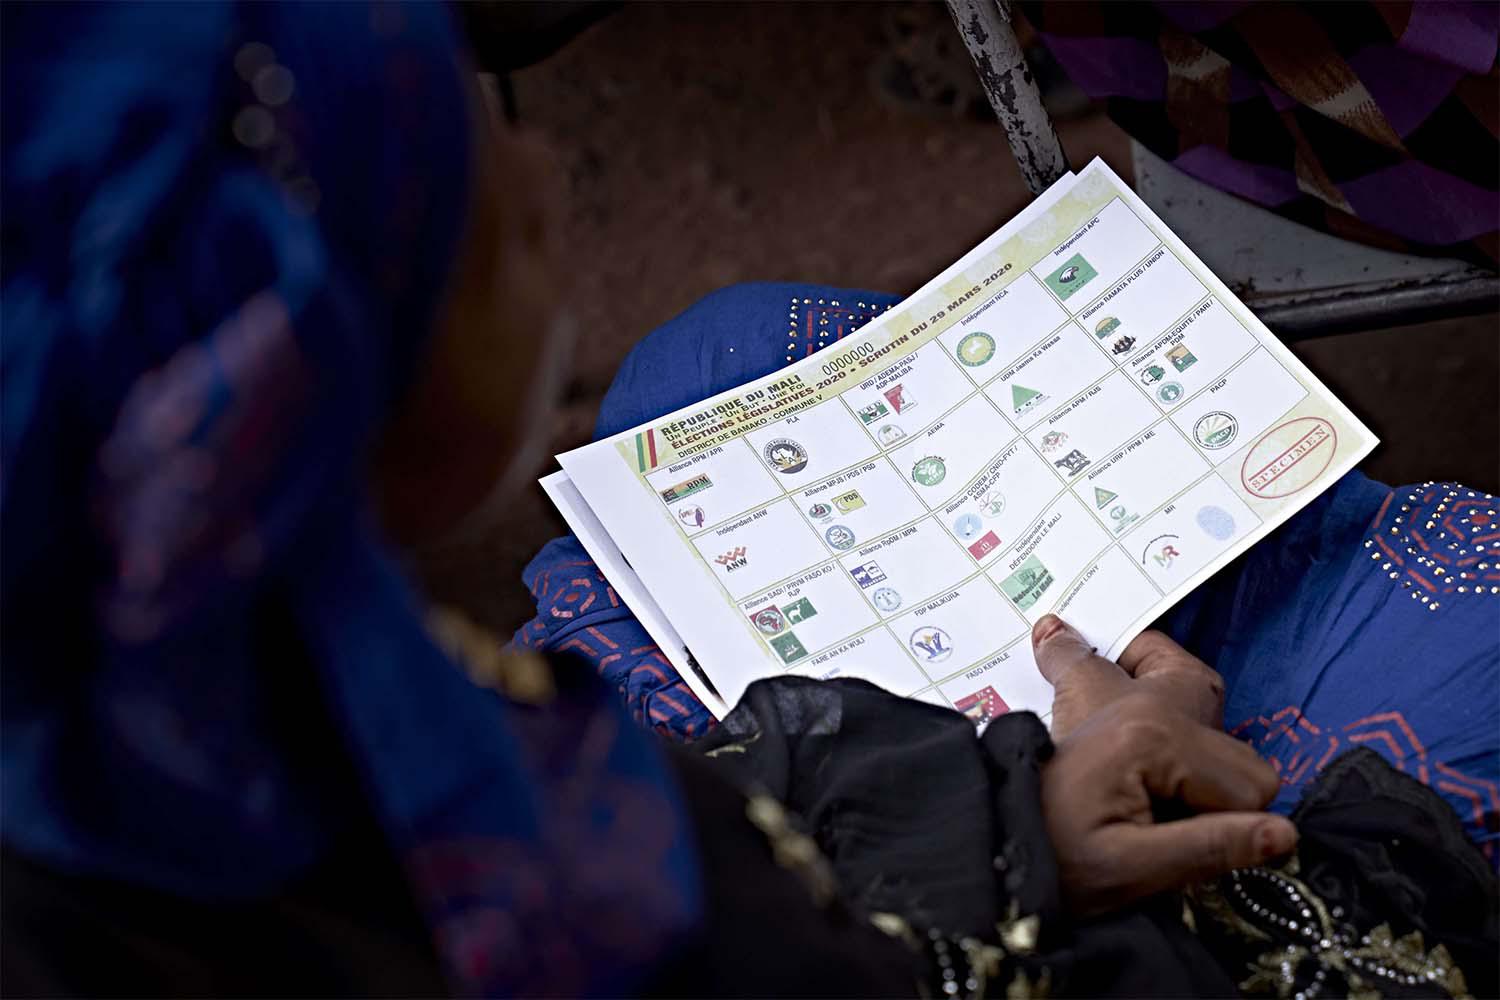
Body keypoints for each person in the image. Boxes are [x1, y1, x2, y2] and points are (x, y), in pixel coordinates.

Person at [3, 4, 1494, 998]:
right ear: (325, 399)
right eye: (476, 216)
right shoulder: (504, 913)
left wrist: (1006, 820)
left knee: (710, 358)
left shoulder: (177, 710)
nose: (536, 165)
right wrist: (1309, 883)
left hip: (917, 822)